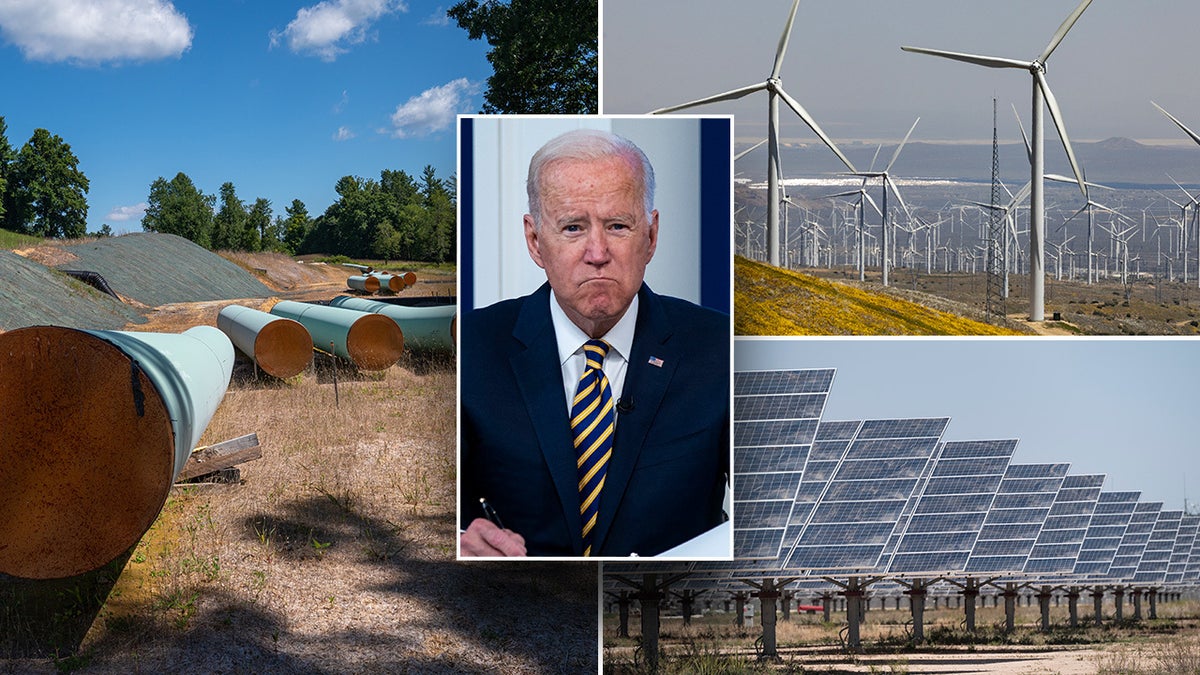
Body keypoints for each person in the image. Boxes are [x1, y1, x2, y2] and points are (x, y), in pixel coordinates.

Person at [459, 128, 730, 557]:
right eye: (572, 228)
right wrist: (459, 541)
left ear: (651, 236)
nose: (597, 252)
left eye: (618, 226)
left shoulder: (720, 350)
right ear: (535, 241)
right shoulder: (472, 349)